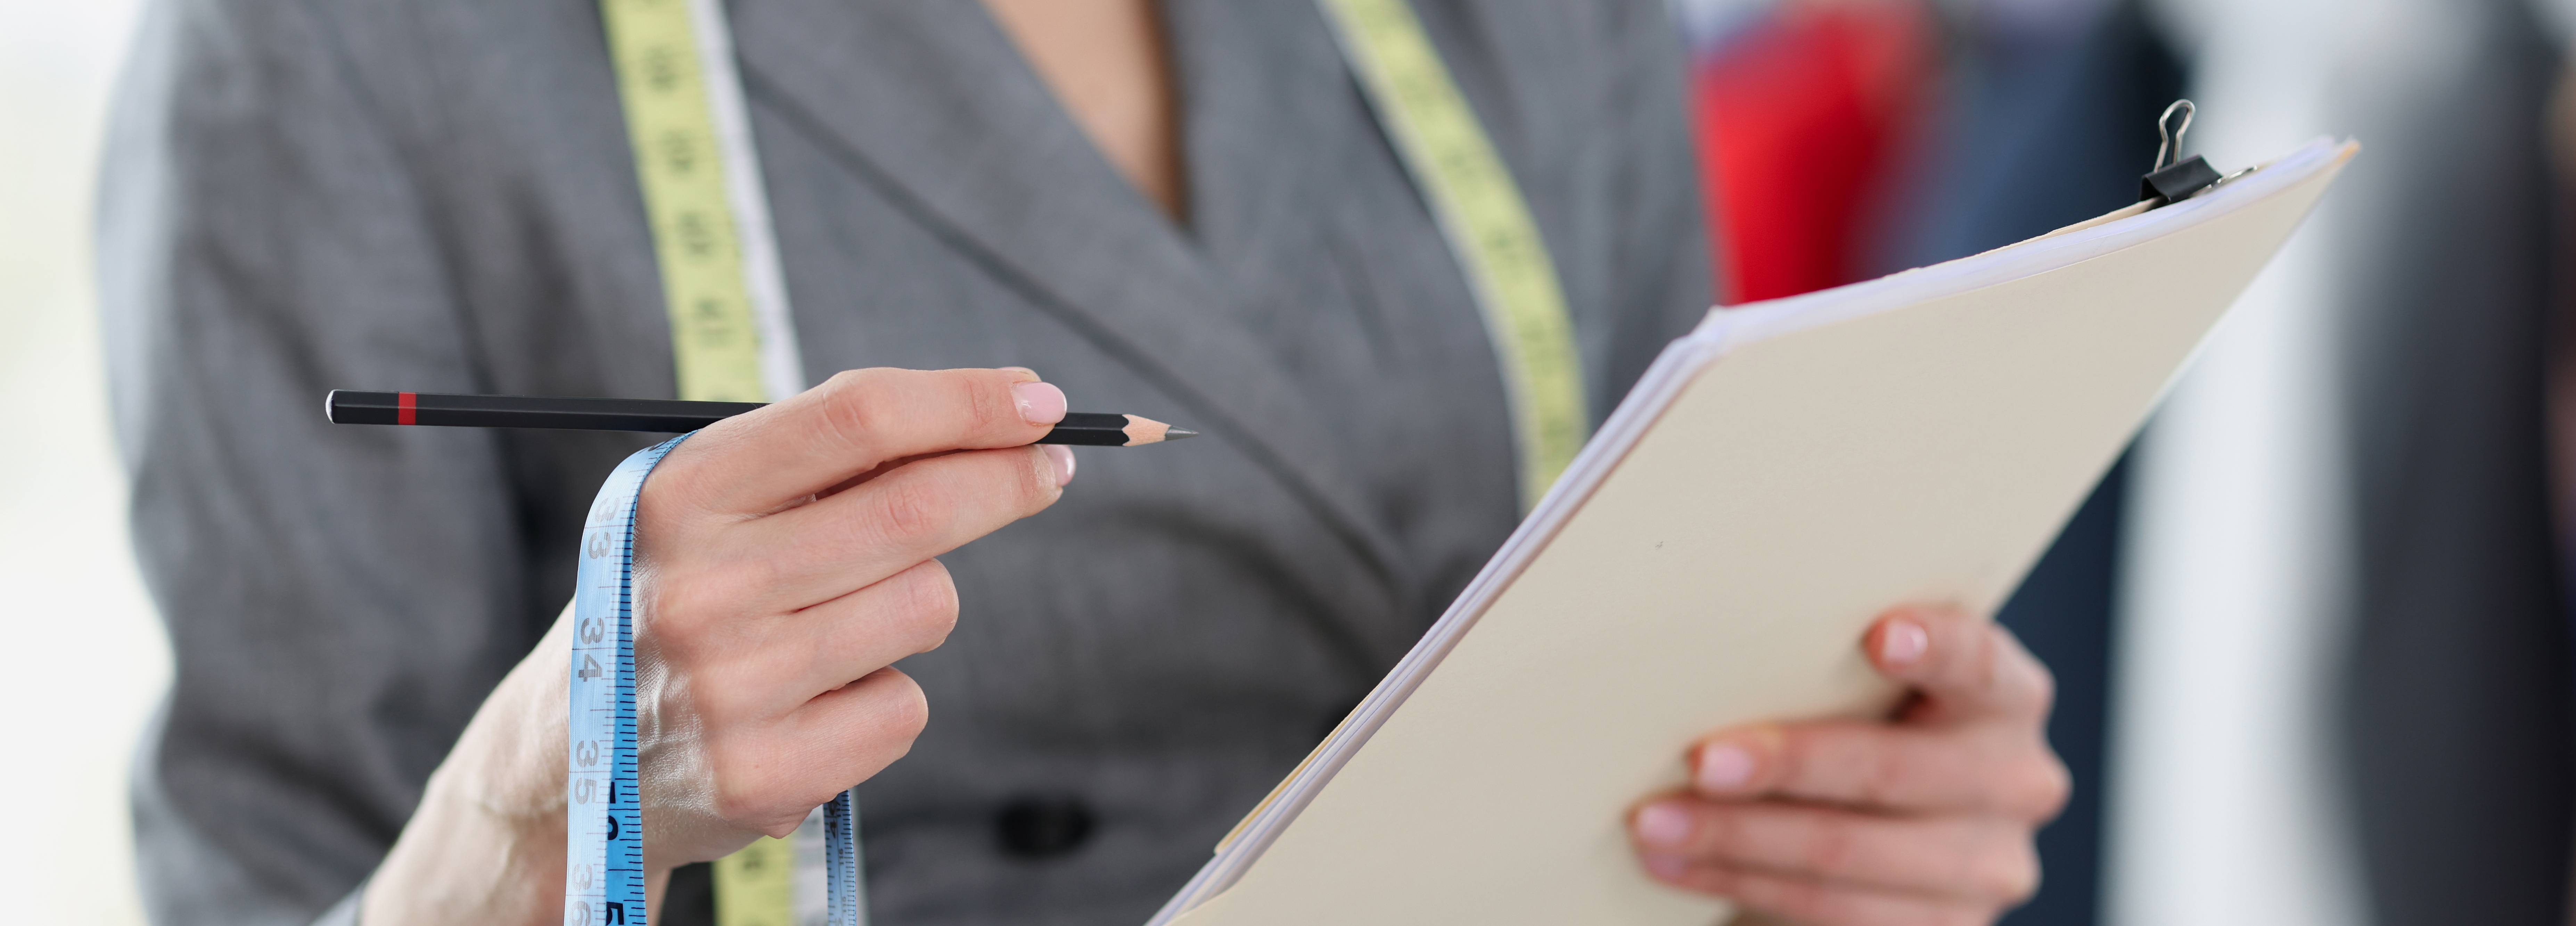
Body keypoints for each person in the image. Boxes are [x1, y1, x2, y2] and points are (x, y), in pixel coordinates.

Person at [99, 1, 2069, 924]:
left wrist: (1840, 806)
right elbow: (272, 888)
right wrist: (537, 824)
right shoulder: (333, 47)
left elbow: (1656, 635)